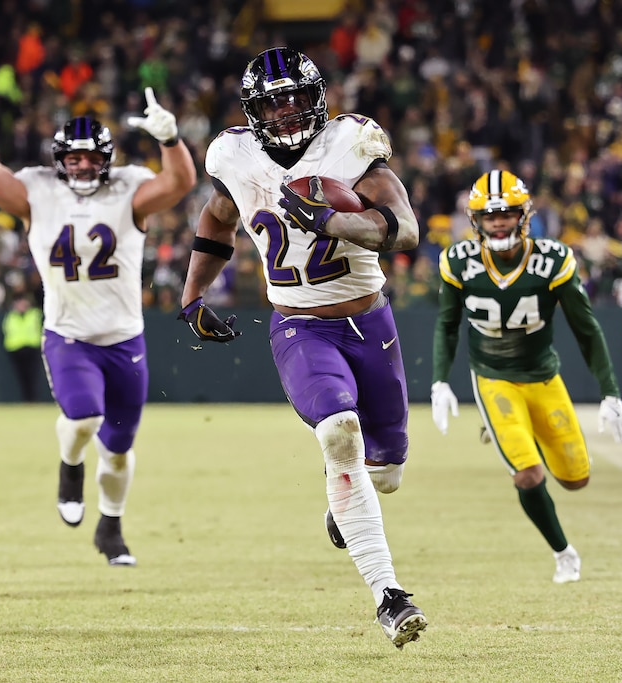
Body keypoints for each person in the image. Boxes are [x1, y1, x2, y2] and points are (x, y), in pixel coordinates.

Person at [177, 47, 427, 648]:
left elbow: (406, 230)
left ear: (317, 97)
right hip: (299, 325)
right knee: (340, 429)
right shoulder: (233, 156)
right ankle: (389, 597)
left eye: (294, 97)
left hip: (370, 321)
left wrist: (333, 222)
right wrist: (191, 296)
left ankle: (344, 505)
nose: (286, 112)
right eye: (272, 102)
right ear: (252, 111)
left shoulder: (352, 146)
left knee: (386, 471)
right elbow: (216, 219)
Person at [0, 68, 196, 565]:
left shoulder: (128, 190)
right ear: (59, 161)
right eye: (73, 157)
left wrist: (170, 138)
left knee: (120, 449)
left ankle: (112, 527)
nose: (81, 166)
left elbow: (181, 181)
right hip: (70, 335)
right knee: (84, 417)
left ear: (107, 160)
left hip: (125, 339)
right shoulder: (38, 192)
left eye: (90, 157)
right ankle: (68, 464)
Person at [430, 169, 622, 583]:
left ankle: (514, 431)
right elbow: (448, 325)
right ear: (476, 221)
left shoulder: (552, 259)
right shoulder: (458, 261)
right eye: (490, 216)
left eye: (507, 213)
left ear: (524, 215)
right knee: (527, 473)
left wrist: (610, 392)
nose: (499, 222)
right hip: (494, 377)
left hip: (543, 376)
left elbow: (587, 327)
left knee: (576, 480)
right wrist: (439, 381)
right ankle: (564, 553)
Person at [2, 292, 43, 402]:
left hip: (32, 348)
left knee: (33, 375)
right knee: (21, 376)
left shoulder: (35, 314)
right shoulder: (11, 316)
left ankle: (33, 399)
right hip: (16, 349)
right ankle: (25, 399)